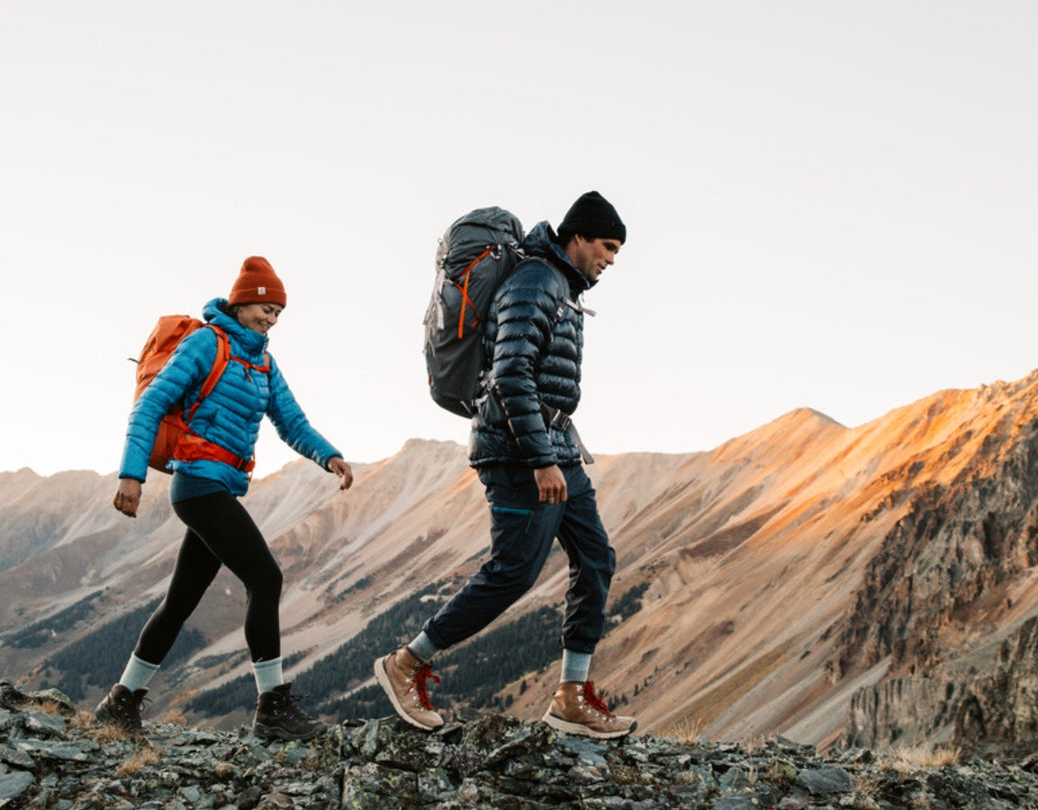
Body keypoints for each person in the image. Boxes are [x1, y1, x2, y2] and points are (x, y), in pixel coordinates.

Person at [375, 191, 636, 738]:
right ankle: (407, 662)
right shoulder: (536, 282)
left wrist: (555, 453)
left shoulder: (562, 288)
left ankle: (571, 694)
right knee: (512, 571)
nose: (611, 259)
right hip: (521, 453)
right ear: (578, 237)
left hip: (559, 447)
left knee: (596, 559)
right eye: (607, 247)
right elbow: (511, 372)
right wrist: (542, 460)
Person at [95, 256, 353, 740]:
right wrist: (131, 476)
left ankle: (120, 701)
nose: (271, 319)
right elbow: (151, 404)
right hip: (196, 485)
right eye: (265, 308)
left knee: (179, 603)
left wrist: (328, 456)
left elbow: (291, 423)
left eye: (278, 312)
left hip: (218, 488)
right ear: (241, 302)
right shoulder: (205, 344)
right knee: (266, 577)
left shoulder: (263, 364)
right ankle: (272, 708)